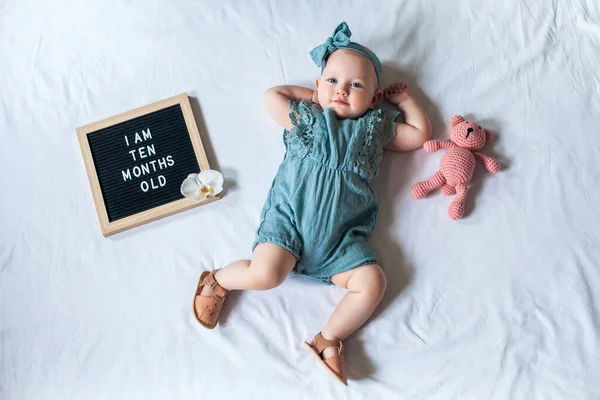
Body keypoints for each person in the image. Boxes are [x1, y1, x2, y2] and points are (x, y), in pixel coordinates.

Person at [192, 21, 432, 385]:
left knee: (373, 281)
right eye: (333, 81)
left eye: (356, 85)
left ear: (373, 98)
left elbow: (418, 135)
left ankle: (328, 339)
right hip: (288, 223)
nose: (342, 90)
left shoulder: (373, 130)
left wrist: (406, 101)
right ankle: (218, 280)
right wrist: (314, 96)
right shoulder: (307, 120)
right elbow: (273, 96)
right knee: (266, 275)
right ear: (318, 86)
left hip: (340, 243)